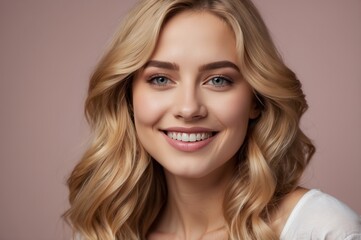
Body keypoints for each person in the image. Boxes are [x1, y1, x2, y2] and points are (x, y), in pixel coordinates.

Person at [64, 0, 361, 239]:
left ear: (255, 100)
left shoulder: (323, 230)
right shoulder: (104, 231)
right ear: (128, 98)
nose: (189, 108)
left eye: (218, 80)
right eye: (160, 79)